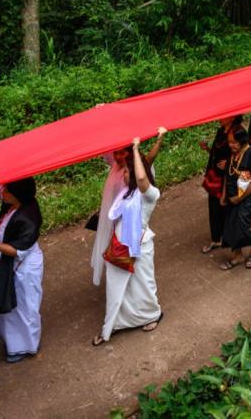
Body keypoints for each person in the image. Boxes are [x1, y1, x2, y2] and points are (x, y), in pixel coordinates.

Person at [93, 132, 166, 346]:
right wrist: (158, 140)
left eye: (126, 171)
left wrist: (134, 149)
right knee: (116, 290)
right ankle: (112, 326)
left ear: (133, 174)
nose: (122, 173)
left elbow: (143, 175)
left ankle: (152, 314)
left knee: (144, 286)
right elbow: (147, 162)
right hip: (119, 246)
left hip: (140, 247)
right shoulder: (128, 193)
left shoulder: (149, 194)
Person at [0, 177, 43, 364]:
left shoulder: (28, 217)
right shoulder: (12, 206)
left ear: (17, 194)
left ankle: (27, 345)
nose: (2, 192)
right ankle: (13, 342)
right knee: (9, 304)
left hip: (24, 267)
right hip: (6, 262)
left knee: (24, 305)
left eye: (6, 190)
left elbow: (17, 250)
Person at [92, 130, 165, 285]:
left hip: (134, 229)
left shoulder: (143, 185)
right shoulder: (116, 167)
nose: (117, 157)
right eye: (115, 153)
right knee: (118, 255)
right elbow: (106, 151)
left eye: (121, 153)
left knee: (137, 269)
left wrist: (158, 139)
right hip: (117, 219)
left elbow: (148, 161)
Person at [219, 128, 251, 270]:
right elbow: (227, 175)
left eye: (234, 142)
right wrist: (224, 195)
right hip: (231, 197)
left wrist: (240, 198)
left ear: (242, 141)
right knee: (230, 225)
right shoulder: (233, 154)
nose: (231, 145)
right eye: (229, 142)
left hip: (247, 198)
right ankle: (237, 254)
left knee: (241, 225)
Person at [199, 116, 243, 254]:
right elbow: (216, 153)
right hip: (215, 176)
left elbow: (245, 153)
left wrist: (230, 163)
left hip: (229, 177)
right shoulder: (221, 131)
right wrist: (207, 149)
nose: (220, 118)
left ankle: (233, 241)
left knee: (228, 206)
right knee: (214, 206)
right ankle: (216, 238)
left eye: (224, 115)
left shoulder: (238, 132)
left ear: (232, 116)